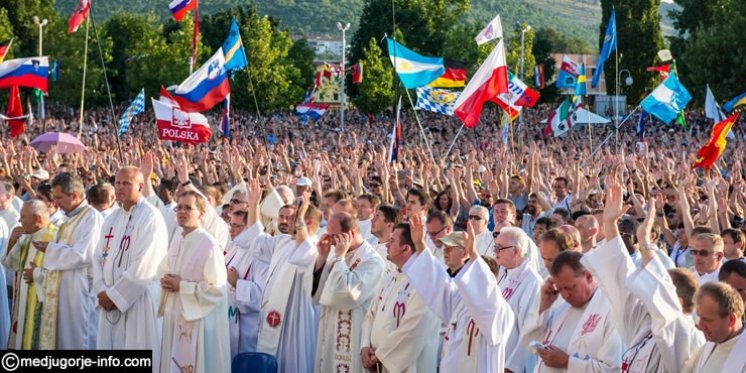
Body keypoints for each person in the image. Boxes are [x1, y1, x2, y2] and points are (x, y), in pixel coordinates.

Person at [583, 181, 705, 373]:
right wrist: (609, 225)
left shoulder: (686, 335)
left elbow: (666, 312)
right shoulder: (644, 327)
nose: (646, 293)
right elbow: (620, 280)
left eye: (654, 287)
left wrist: (645, 244)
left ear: (676, 301)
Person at [403, 214, 515, 372]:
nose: (445, 251)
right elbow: (437, 284)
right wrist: (420, 245)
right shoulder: (461, 302)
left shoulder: (500, 312)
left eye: (451, 247)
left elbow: (487, 295)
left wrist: (474, 255)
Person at [93, 167, 168, 356]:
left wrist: (115, 296)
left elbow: (145, 264)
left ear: (140, 186)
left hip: (138, 301)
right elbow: (98, 257)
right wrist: (102, 290)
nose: (120, 188)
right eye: (117, 183)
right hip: (108, 298)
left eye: (126, 183)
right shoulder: (111, 218)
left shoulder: (151, 217)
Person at [251, 180, 322, 373]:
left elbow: (304, 255)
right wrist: (253, 204)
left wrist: (301, 220)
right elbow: (255, 239)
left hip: (296, 323)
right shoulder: (283, 241)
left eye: (293, 218)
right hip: (275, 317)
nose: (286, 222)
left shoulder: (315, 247)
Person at [157, 190, 230, 373]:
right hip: (175, 315)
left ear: (202, 213)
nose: (182, 211)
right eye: (179, 207)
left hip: (198, 323)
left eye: (188, 208)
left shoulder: (210, 245)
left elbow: (217, 290)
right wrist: (165, 281)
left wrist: (181, 286)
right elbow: (165, 270)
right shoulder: (177, 240)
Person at [308, 211, 386, 373]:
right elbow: (318, 297)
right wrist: (322, 258)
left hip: (353, 342)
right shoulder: (337, 255)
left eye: (334, 236)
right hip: (329, 336)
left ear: (350, 234)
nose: (330, 241)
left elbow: (347, 296)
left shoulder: (372, 262)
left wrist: (339, 259)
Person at [522, 251, 623, 372]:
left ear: (588, 276)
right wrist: (544, 306)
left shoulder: (610, 311)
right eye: (560, 289)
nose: (565, 295)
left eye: (570, 287)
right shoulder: (563, 309)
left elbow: (614, 369)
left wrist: (567, 362)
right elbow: (530, 342)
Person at [360, 223, 440, 372]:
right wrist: (365, 345)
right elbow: (371, 314)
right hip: (378, 362)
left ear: (406, 248)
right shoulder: (390, 276)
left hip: (405, 365)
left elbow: (413, 329)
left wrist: (379, 356)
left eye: (392, 241)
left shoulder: (423, 283)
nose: (386, 245)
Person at [35, 172, 102, 349]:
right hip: (62, 292)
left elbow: (83, 255)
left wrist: (49, 249)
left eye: (58, 197)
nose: (55, 202)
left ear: (73, 196)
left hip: (79, 293)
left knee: (78, 342)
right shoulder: (68, 219)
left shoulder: (91, 218)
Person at [2, 200, 57, 349]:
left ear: (37, 218)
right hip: (24, 302)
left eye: (23, 217)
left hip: (44, 305)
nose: (19, 220)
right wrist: (12, 240)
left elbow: (62, 275)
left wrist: (37, 274)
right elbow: (9, 264)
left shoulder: (56, 237)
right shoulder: (26, 237)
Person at [493, 226, 542, 373]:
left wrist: (511, 367)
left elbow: (529, 331)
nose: (495, 251)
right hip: (494, 357)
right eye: (495, 246)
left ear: (516, 251)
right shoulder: (502, 272)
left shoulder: (532, 282)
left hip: (509, 365)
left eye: (499, 247)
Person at [225, 209, 268, 357]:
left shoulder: (260, 255)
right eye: (230, 225)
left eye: (236, 226)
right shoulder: (235, 249)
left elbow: (262, 296)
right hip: (228, 321)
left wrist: (237, 283)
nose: (231, 230)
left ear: (248, 228)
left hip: (247, 329)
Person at [682, 282, 746, 372]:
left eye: (708, 320)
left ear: (731, 320)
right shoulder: (707, 348)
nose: (701, 326)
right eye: (700, 317)